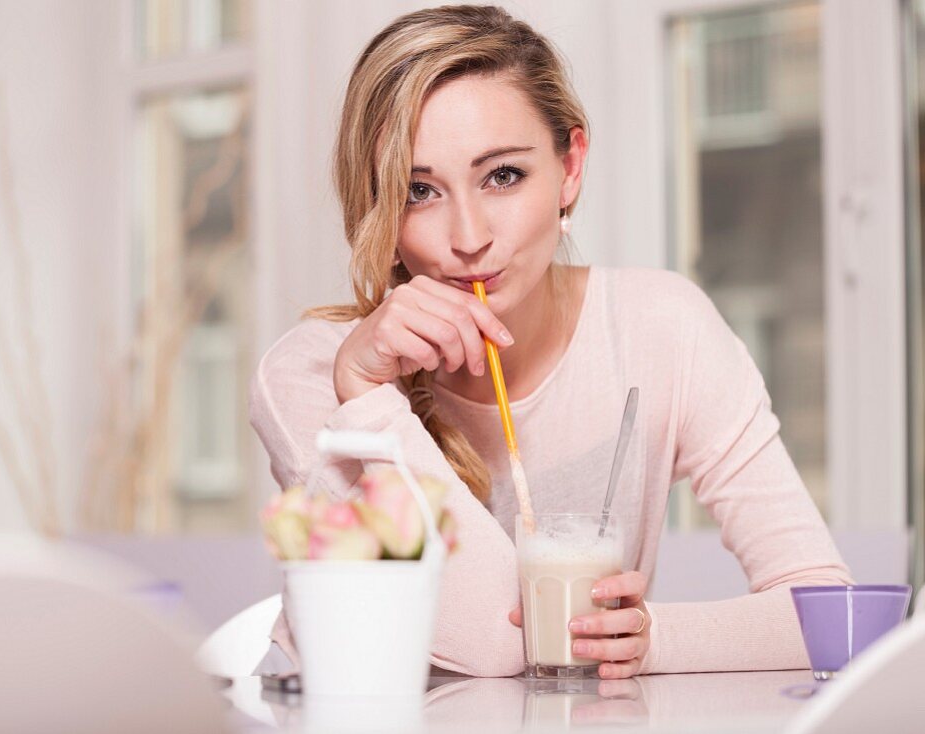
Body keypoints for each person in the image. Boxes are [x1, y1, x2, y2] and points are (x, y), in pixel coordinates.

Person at [249, 4, 851, 679]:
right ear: (379, 209)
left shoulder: (662, 329)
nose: (468, 235)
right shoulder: (308, 377)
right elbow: (498, 640)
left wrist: (649, 640)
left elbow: (828, 612)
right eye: (419, 191)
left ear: (569, 168)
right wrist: (365, 398)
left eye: (502, 175)